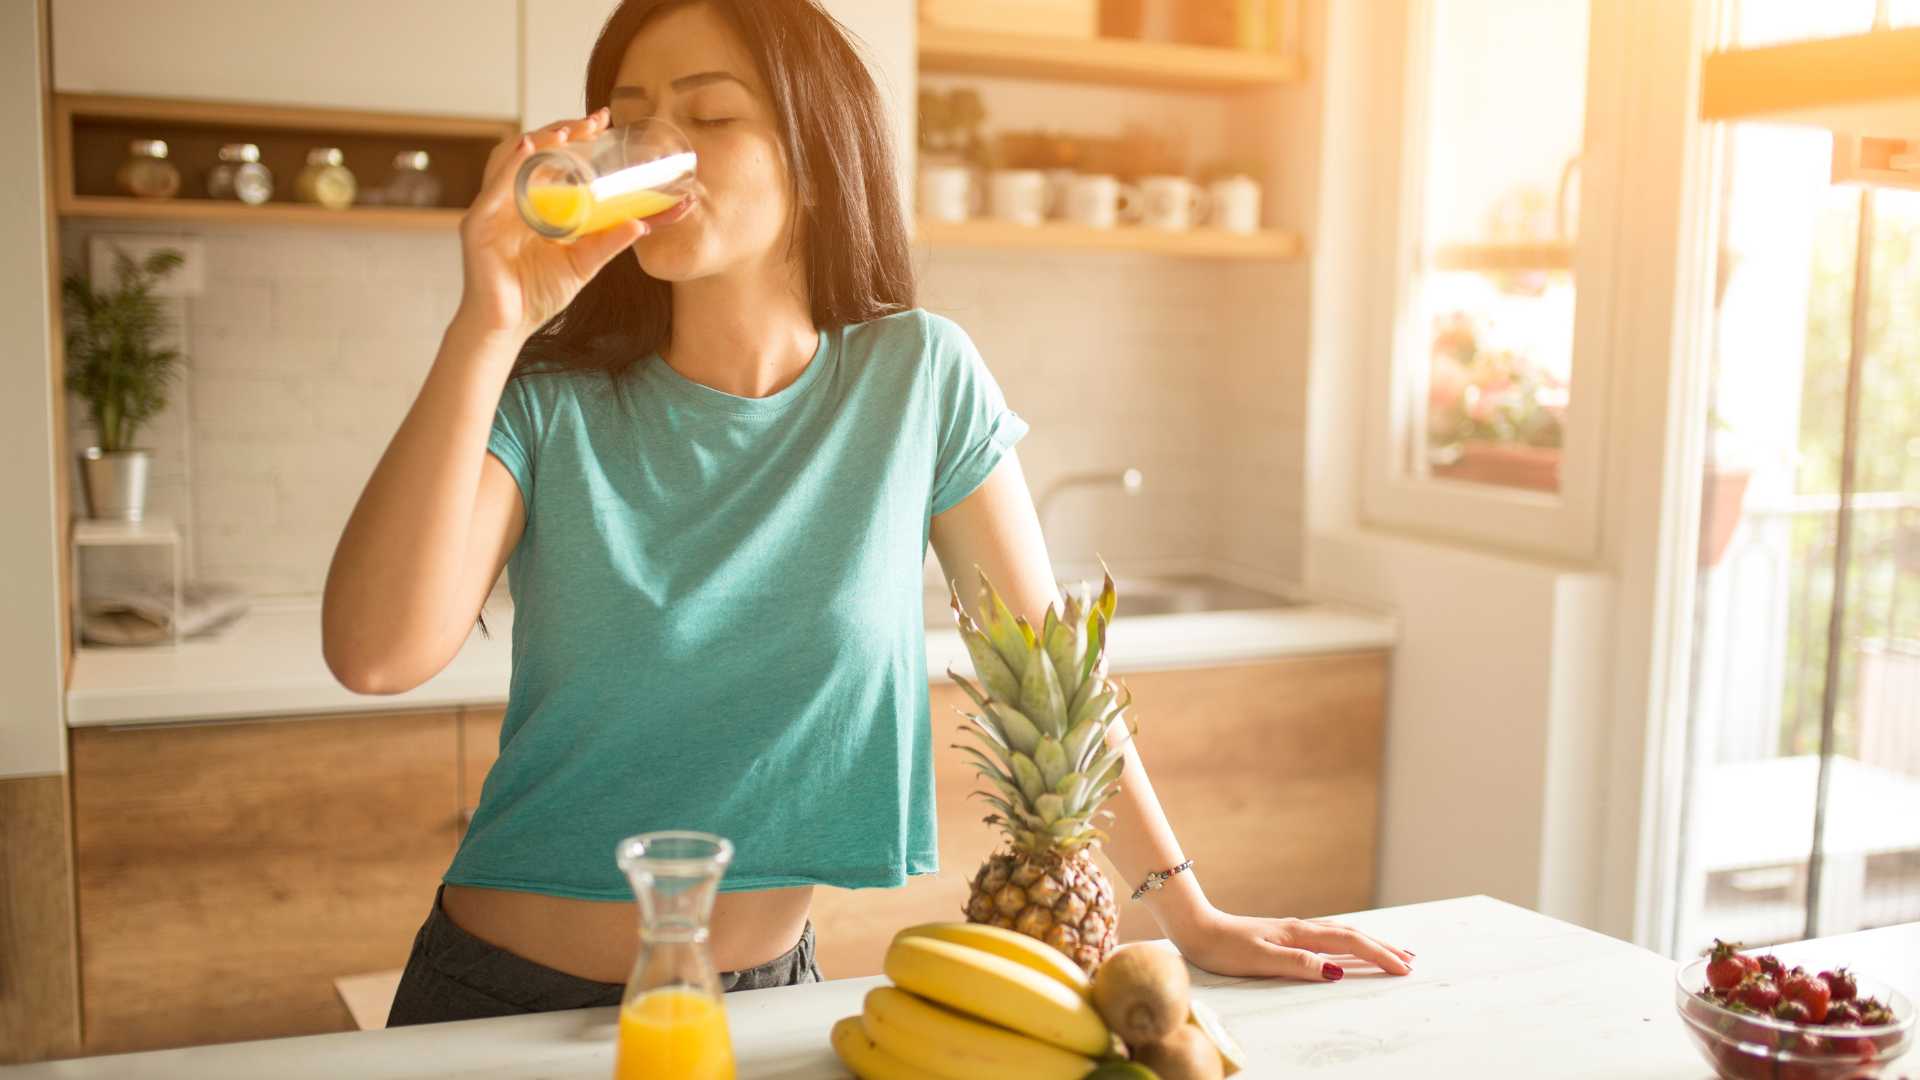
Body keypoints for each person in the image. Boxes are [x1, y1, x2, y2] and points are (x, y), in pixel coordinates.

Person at [321, 0, 1413, 1026]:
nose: (659, 143)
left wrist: (1191, 914)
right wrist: (491, 321)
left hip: (768, 998)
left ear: (813, 151)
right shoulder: (553, 404)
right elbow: (375, 655)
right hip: (503, 1000)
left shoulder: (917, 377)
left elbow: (1047, 681)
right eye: (633, 118)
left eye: (707, 114)